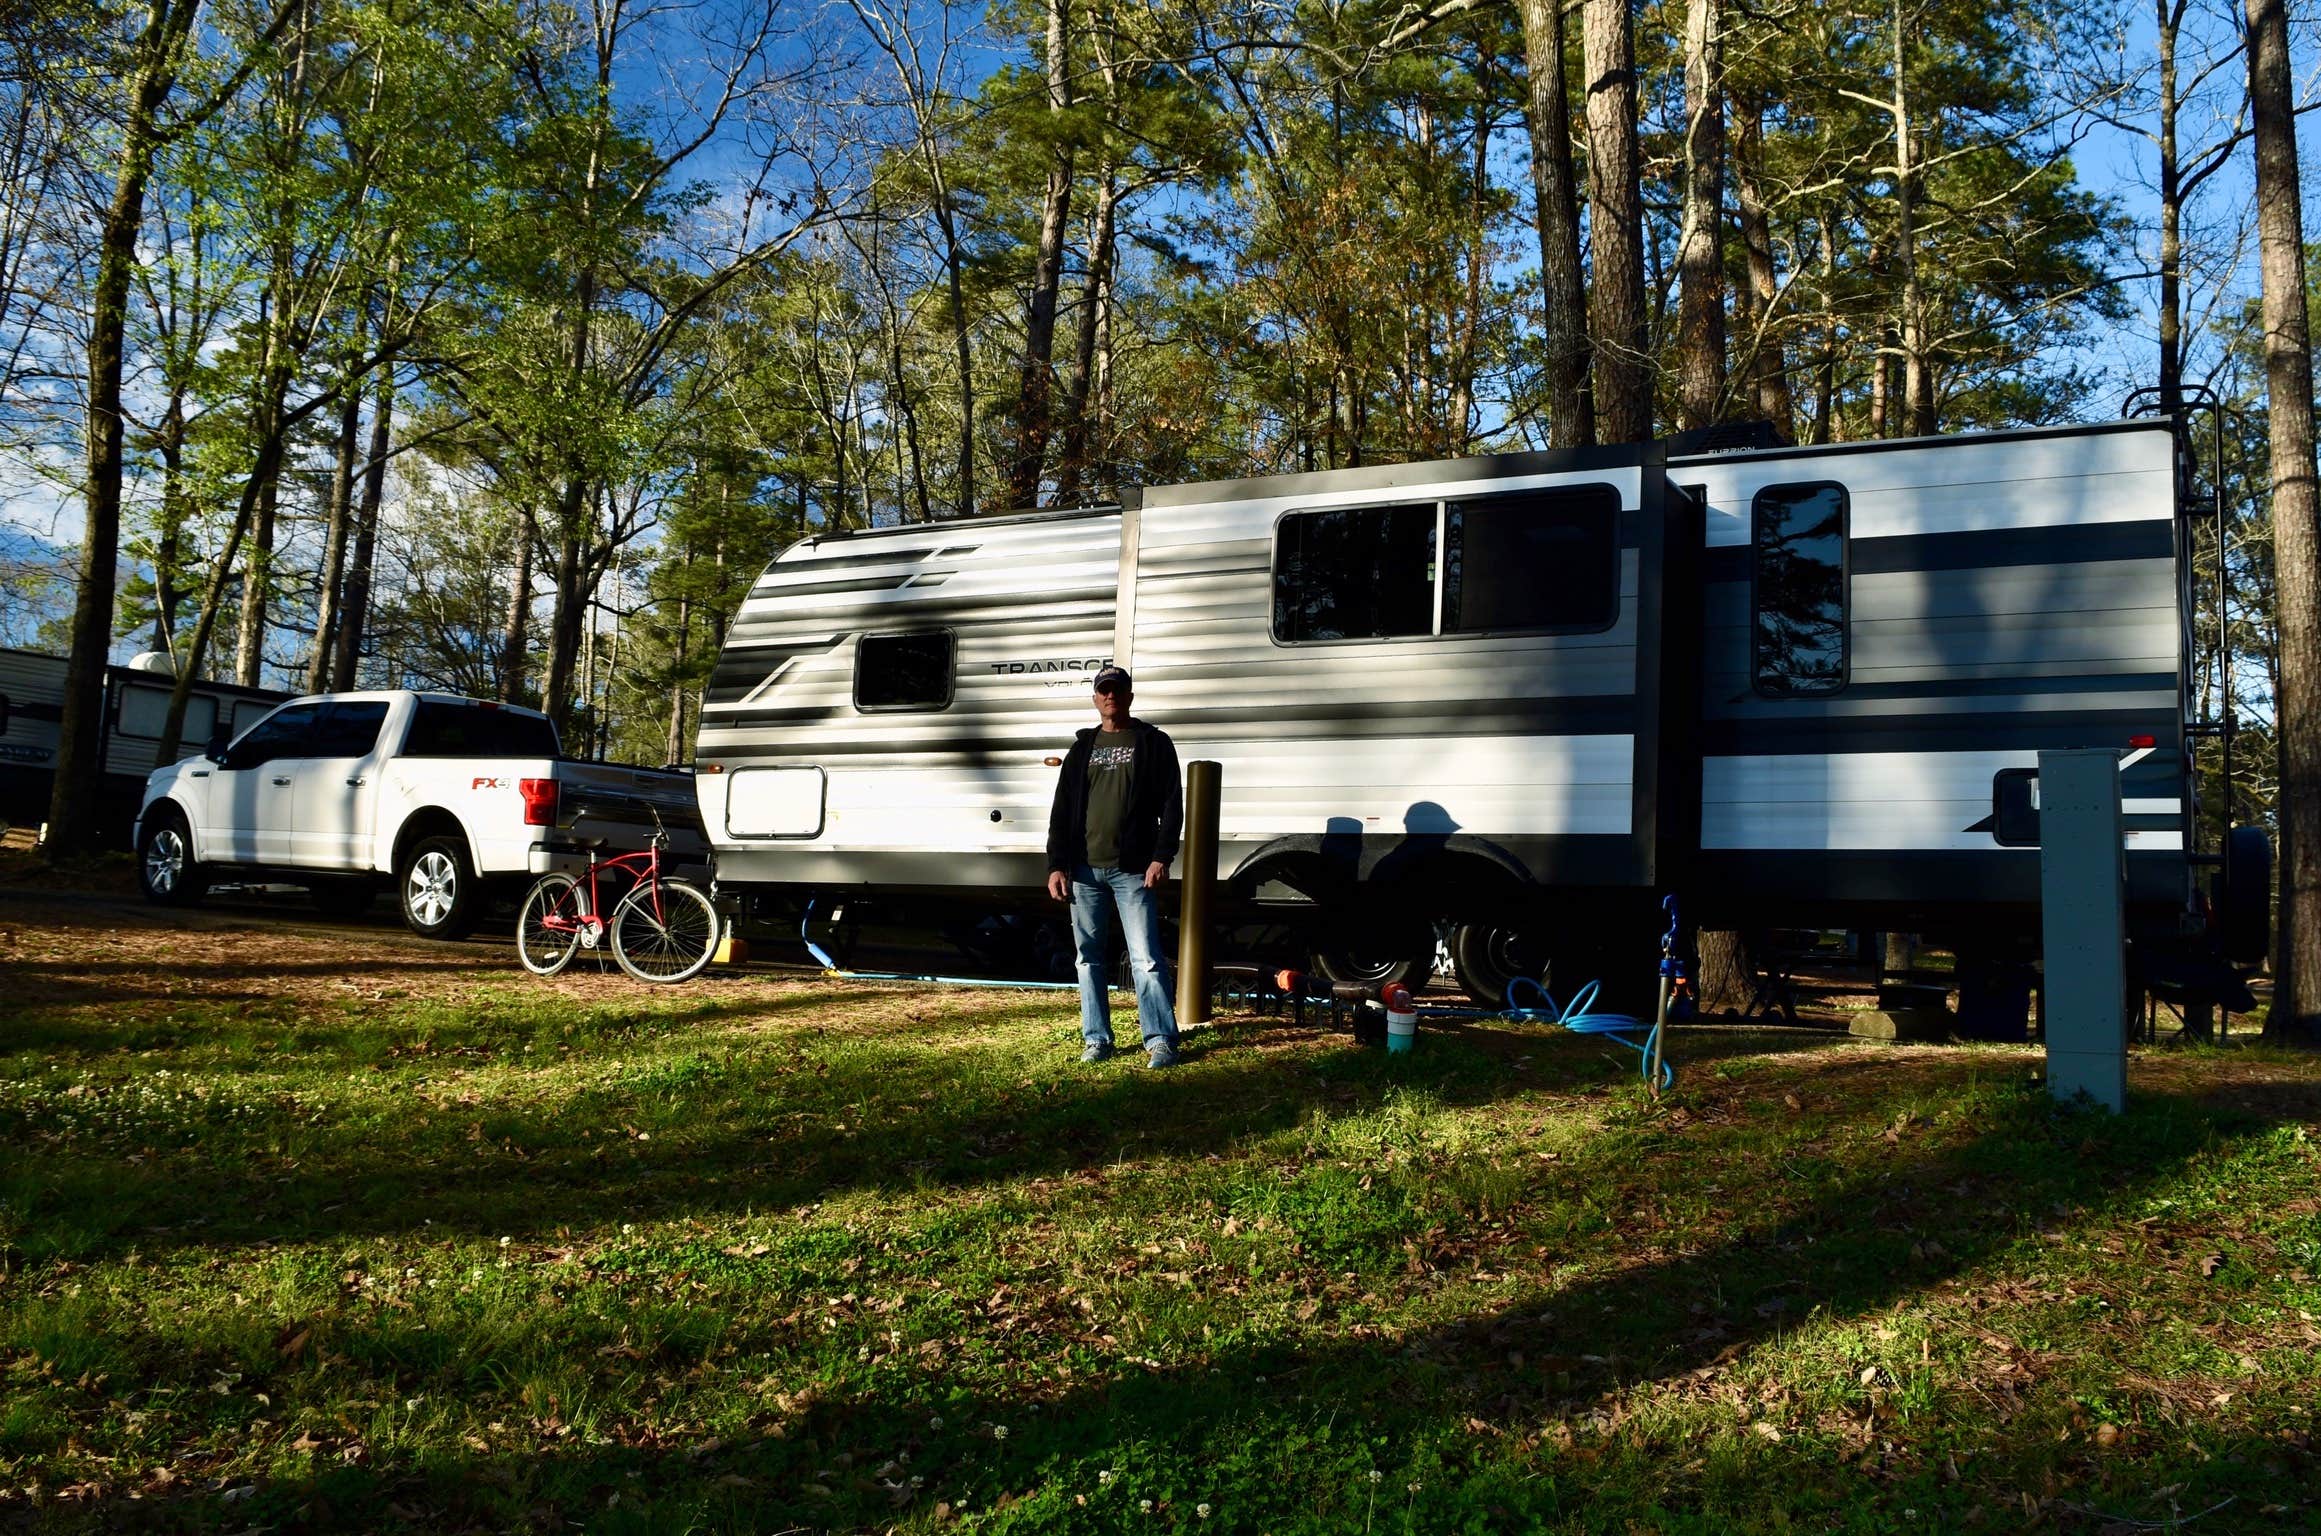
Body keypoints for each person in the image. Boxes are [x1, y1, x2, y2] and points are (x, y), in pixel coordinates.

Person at [1045, 666, 1185, 1066]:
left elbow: (1172, 804)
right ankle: (1097, 1040)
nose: (1110, 696)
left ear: (1129, 697)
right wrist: (1057, 865)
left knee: (1146, 958)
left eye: (1117, 690)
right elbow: (1062, 810)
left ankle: (1160, 1040)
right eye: (1104, 691)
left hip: (1133, 869)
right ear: (1095, 699)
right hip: (1083, 870)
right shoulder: (1082, 748)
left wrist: (1161, 856)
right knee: (1088, 958)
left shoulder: (1153, 743)